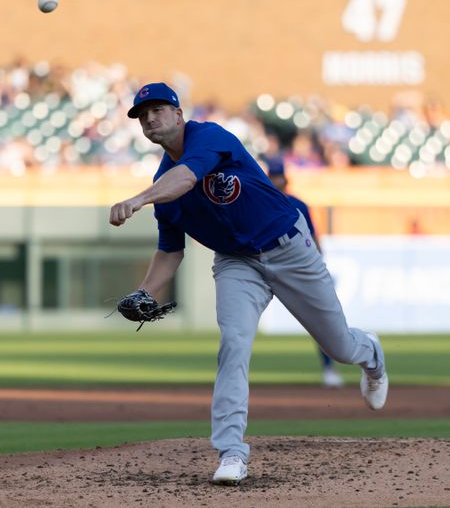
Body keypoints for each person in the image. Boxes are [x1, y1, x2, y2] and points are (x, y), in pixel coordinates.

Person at [109, 82, 388, 486]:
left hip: (289, 247)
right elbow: (171, 252)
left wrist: (137, 200)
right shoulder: (162, 185)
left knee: (340, 347)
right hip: (237, 263)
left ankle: (372, 355)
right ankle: (231, 452)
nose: (150, 118)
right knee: (234, 344)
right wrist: (146, 291)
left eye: (157, 109)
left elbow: (187, 178)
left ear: (177, 114)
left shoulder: (209, 138)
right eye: (142, 115)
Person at [265, 158, 344, 389]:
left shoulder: (299, 204)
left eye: (279, 176)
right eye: (273, 176)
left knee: (321, 319)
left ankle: (329, 369)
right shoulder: (262, 204)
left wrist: (320, 264)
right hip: (267, 264)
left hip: (299, 267)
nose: (277, 180)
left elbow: (313, 237)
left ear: (285, 178)